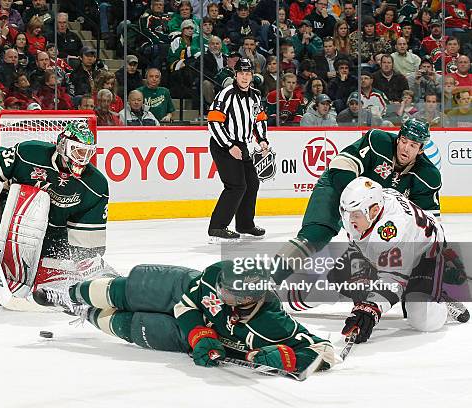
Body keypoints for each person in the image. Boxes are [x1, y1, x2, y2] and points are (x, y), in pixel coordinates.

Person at [32, 260, 335, 373]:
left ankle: (84, 313)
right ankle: (71, 294)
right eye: (221, 288)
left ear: (247, 298)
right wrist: (200, 333)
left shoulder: (273, 322)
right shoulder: (215, 277)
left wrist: (287, 358)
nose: (220, 293)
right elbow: (185, 305)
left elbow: (325, 352)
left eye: (228, 293)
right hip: (180, 292)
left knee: (132, 327)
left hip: (192, 338)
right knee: (129, 291)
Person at [271, 118, 442, 285]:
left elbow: (427, 224)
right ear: (398, 138)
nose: (405, 148)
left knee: (383, 253)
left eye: (413, 145)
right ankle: (269, 279)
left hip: (373, 214)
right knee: (315, 235)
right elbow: (341, 165)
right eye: (404, 141)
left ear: (421, 150)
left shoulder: (428, 177)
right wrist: (356, 207)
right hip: (337, 186)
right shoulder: (378, 141)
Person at [0, 122, 109, 298]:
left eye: (88, 152)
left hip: (54, 237)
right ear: (63, 145)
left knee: (61, 281)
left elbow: (88, 239)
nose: (83, 158)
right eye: (78, 151)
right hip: (14, 226)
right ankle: (9, 270)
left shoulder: (96, 185)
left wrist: (86, 263)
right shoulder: (29, 153)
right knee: (35, 200)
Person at [338, 177, 469, 344]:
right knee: (340, 281)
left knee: (424, 320)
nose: (349, 220)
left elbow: (394, 279)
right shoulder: (369, 206)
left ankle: (441, 290)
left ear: (374, 211)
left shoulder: (393, 229)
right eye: (346, 212)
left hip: (425, 254)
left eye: (355, 214)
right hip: (393, 252)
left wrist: (371, 308)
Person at [206, 58, 270, 241]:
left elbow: (260, 119)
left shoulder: (255, 96)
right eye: (241, 73)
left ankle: (245, 224)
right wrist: (229, 146)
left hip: (243, 145)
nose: (244, 76)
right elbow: (213, 122)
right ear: (235, 75)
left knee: (252, 183)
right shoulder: (225, 94)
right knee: (236, 186)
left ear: (252, 75)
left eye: (248, 73)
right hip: (223, 144)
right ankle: (217, 227)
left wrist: (263, 139)